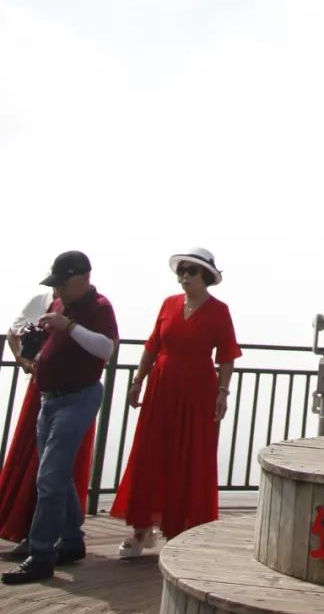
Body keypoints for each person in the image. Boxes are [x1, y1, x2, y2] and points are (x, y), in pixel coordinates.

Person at [110, 248, 241, 557]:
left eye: (190, 272)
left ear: (205, 276)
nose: (184, 277)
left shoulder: (219, 310)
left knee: (190, 455)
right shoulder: (168, 304)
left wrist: (223, 392)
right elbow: (152, 345)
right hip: (162, 387)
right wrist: (137, 381)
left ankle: (180, 529)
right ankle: (141, 529)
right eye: (180, 272)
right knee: (150, 452)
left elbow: (226, 357)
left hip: (197, 390)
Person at [2, 251, 117, 586]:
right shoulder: (57, 304)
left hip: (77, 398)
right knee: (55, 474)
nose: (58, 292)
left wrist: (69, 326)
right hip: (49, 399)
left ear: (82, 278)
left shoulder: (100, 308)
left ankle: (40, 555)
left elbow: (106, 350)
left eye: (63, 285)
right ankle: (71, 540)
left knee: (50, 477)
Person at [0, 291, 96, 559]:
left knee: (56, 466)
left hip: (72, 390)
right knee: (43, 463)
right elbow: (13, 333)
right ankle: (53, 535)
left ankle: (50, 539)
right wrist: (25, 362)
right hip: (43, 387)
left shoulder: (88, 308)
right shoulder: (43, 302)